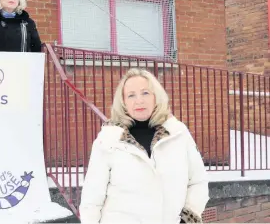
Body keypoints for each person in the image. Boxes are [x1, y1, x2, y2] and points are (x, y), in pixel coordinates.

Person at [79, 68, 209, 224]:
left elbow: (197, 181)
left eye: (145, 93)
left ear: (156, 97)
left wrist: (187, 219)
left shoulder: (178, 133)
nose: (139, 100)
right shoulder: (108, 140)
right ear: (124, 102)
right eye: (131, 95)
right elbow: (92, 198)